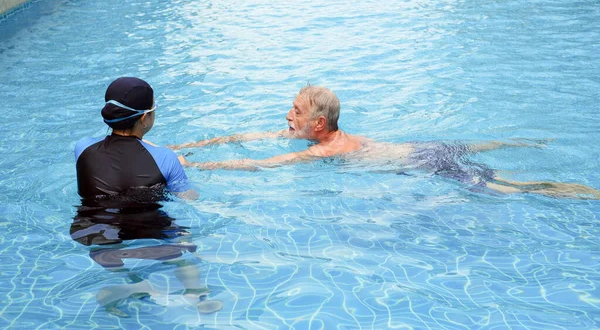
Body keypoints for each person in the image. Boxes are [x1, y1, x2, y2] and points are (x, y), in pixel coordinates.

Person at [173, 85, 600, 199]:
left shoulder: (326, 149)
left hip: (425, 164)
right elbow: (252, 138)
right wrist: (198, 144)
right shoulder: (322, 133)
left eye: (296, 113)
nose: (288, 117)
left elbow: (264, 164)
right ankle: (533, 143)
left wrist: (198, 169)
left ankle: (578, 193)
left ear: (319, 125)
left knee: (510, 188)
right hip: (422, 147)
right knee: (491, 155)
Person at [72, 77, 220, 316]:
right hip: (148, 228)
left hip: (92, 229)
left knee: (105, 249)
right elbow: (189, 198)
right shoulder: (165, 158)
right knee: (184, 243)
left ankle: (135, 284)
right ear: (144, 118)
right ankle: (197, 294)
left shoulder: (82, 148)